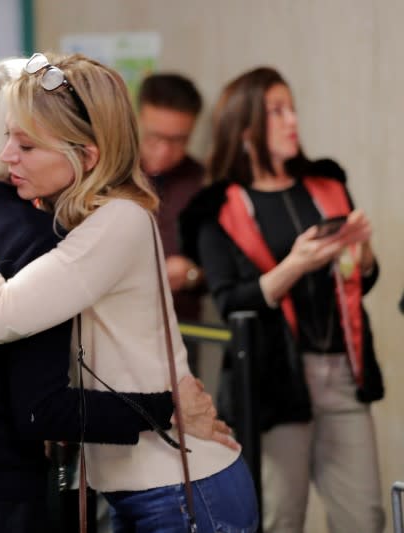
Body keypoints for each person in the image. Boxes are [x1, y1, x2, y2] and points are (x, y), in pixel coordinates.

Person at [0, 57, 229, 533]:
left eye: (26, 141)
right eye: (12, 137)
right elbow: (40, 409)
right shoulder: (37, 234)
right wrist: (165, 408)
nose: (12, 152)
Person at [179, 66, 385, 533]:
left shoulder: (326, 185)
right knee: (279, 518)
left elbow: (359, 284)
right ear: (247, 127)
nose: (293, 120)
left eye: (292, 108)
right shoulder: (216, 207)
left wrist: (364, 256)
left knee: (365, 517)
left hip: (342, 375)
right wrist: (295, 264)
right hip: (273, 383)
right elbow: (232, 302)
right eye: (277, 111)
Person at [137, 73, 207, 372]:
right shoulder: (110, 174)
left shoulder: (203, 183)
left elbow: (225, 271)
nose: (164, 151)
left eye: (178, 140)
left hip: (180, 332)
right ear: (136, 120)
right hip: (112, 328)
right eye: (154, 137)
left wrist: (191, 273)